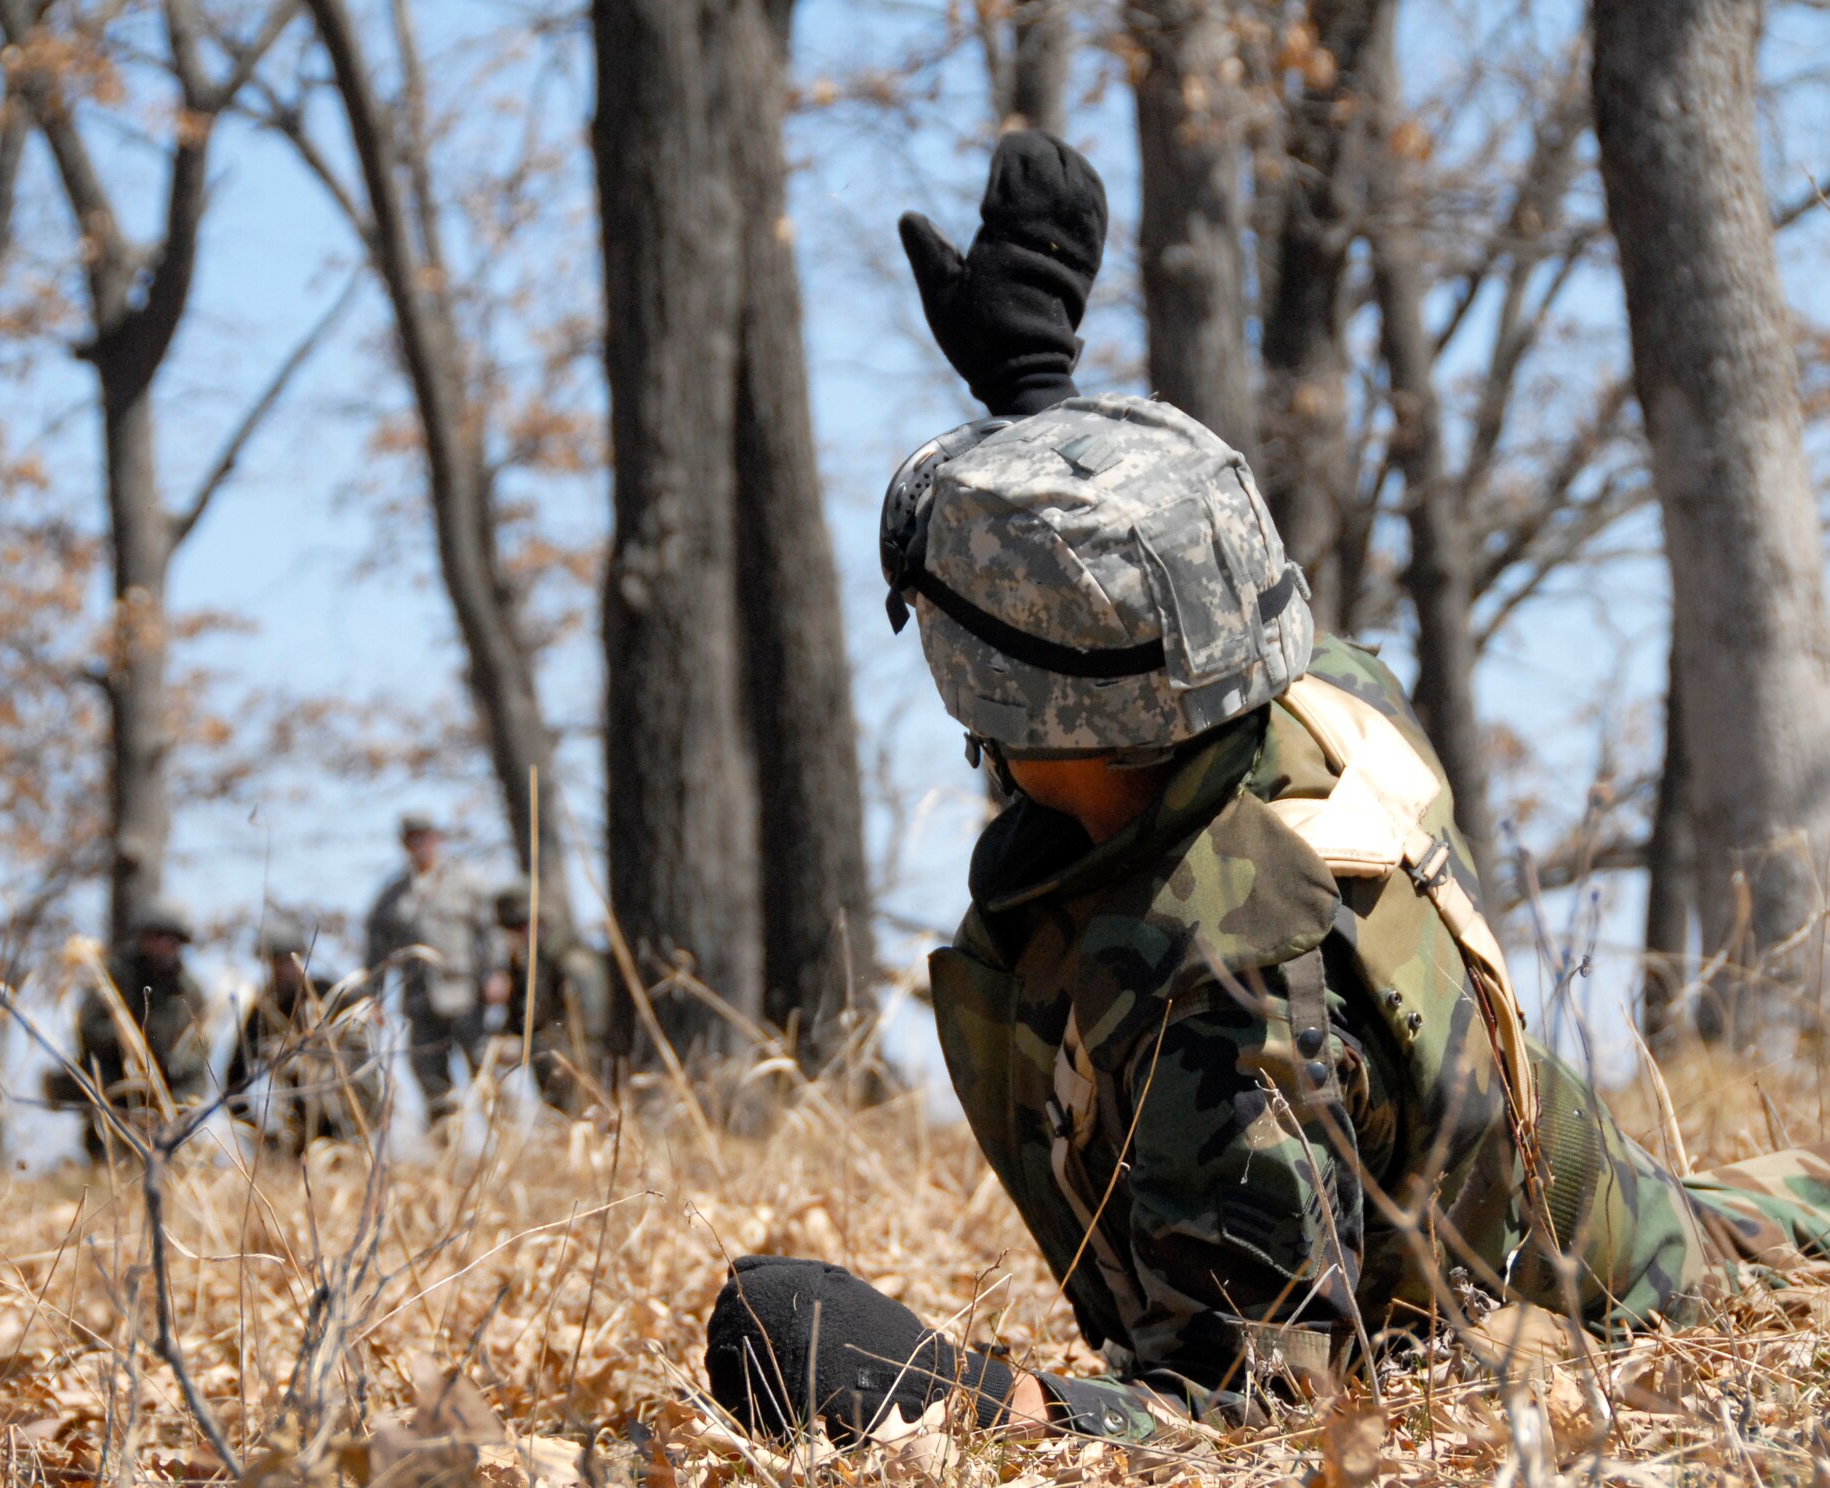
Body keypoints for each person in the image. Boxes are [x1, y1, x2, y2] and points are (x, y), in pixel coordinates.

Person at [702, 130, 1830, 1444]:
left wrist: (982, 1407)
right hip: (1585, 1193)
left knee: (1746, 1234)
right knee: (1770, 1207)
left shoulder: (1237, 1003)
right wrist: (1033, 397)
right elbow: (1155, 607)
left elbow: (1260, 1404)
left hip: (1585, 1290)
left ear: (1018, 708)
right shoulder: (1309, 692)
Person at [364, 811, 500, 1125]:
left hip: (466, 996)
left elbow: (490, 932)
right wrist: (375, 997)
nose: (420, 845)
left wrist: (496, 973)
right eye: (413, 839)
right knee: (431, 1081)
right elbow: (376, 951)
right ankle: (446, 1152)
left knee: (486, 1072)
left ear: (437, 838)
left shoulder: (467, 881)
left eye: (425, 836)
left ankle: (505, 1148)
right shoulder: (392, 896)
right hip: (420, 1000)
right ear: (404, 844)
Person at [52, 896, 211, 1161]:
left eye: (172, 939)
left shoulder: (189, 991)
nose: (164, 945)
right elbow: (88, 1030)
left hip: (167, 1097)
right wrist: (130, 1043)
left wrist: (181, 1094)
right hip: (116, 1091)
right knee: (108, 1164)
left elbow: (198, 1047)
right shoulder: (114, 976)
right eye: (157, 936)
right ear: (144, 938)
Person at [227, 909, 382, 1151]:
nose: (284, 969)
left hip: (343, 1111)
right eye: (277, 962)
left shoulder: (327, 994)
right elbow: (235, 1078)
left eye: (289, 960)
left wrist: (370, 1113)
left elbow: (362, 1047)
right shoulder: (265, 1009)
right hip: (294, 1121)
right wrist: (261, 1135)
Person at [490, 883, 611, 1115]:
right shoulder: (527, 964)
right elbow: (522, 1015)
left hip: (579, 1062)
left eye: (519, 928)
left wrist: (542, 1045)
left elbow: (592, 1024)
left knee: (582, 1117)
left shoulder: (571, 958)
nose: (514, 938)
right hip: (551, 1062)